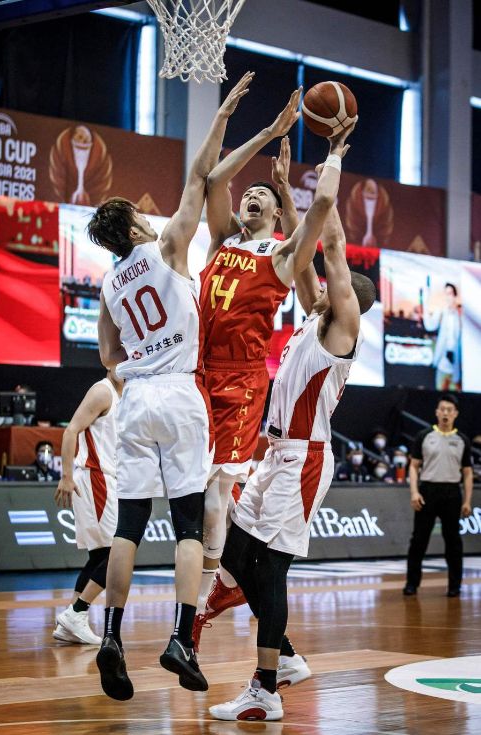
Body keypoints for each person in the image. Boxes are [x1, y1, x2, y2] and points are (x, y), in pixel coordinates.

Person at [88, 73, 254, 700]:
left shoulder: (109, 284)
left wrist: (138, 356)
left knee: (128, 526)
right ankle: (181, 637)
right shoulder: (168, 246)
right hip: (180, 395)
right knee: (187, 525)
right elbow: (200, 175)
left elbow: (108, 355)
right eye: (136, 213)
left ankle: (110, 636)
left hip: (134, 401)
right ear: (133, 228)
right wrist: (224, 114)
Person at [209, 136, 376, 722]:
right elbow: (304, 261)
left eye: (335, 283)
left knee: (269, 567)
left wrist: (334, 155)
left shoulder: (341, 328)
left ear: (350, 299)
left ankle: (267, 688)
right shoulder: (313, 317)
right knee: (237, 552)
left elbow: (330, 244)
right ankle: (284, 656)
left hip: (305, 458)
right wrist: (283, 189)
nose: (325, 284)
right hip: (277, 453)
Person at [195, 86, 304, 629]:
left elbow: (309, 238)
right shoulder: (222, 241)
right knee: (202, 487)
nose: (252, 196)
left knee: (215, 486)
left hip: (241, 380)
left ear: (275, 212)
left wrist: (285, 189)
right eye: (251, 192)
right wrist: (266, 133)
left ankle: (203, 598)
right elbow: (214, 180)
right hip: (197, 371)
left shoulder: (279, 253)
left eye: (263, 196)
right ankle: (233, 570)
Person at [53, 368, 122, 645]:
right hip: (95, 477)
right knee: (117, 554)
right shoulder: (102, 391)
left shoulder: (128, 393)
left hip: (108, 478)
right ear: (109, 364)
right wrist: (66, 476)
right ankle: (77, 612)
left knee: (99, 556)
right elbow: (71, 430)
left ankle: (72, 621)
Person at [404, 394, 473, 598]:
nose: (445, 413)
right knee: (419, 540)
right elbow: (414, 466)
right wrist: (414, 492)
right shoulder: (424, 435)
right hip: (428, 491)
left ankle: (455, 586)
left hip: (452, 492)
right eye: (442, 409)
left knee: (453, 541)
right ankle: (411, 584)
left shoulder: (462, 440)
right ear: (436, 412)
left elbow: (467, 472)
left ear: (455, 414)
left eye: (449, 410)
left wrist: (467, 500)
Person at [423, 282, 461, 391]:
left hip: (456, 367)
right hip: (442, 364)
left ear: (455, 295)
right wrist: (426, 303)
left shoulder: (460, 315)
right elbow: (429, 325)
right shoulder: (441, 312)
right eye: (446, 294)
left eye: (450, 293)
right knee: (439, 396)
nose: (448, 297)